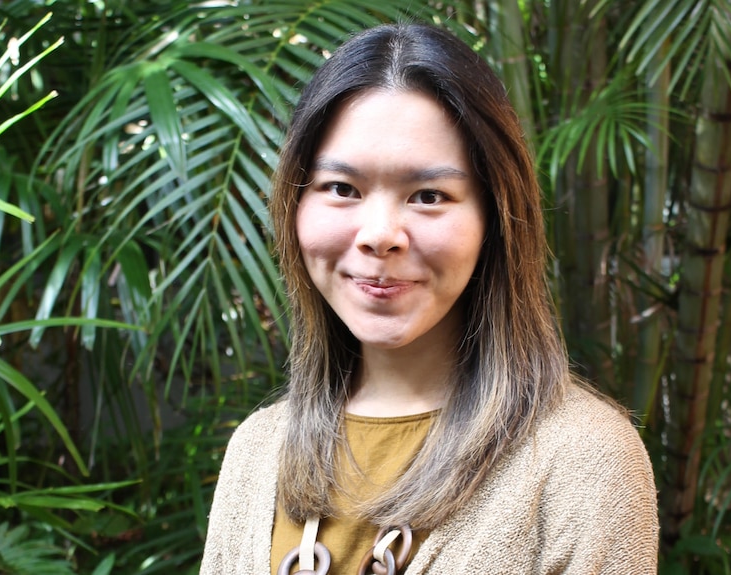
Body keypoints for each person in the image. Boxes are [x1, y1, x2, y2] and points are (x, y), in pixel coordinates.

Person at [200, 23, 659, 575]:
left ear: (494, 218)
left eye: (429, 196)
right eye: (342, 189)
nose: (380, 234)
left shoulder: (583, 460)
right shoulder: (256, 452)